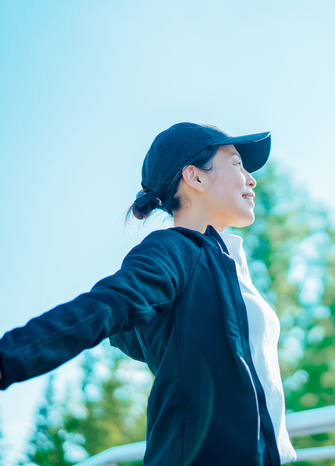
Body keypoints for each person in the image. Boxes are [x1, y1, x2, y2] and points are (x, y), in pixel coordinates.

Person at [0, 122, 297, 465]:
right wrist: (8, 359)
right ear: (195, 177)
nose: (251, 178)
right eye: (235, 163)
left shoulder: (227, 265)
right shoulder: (177, 250)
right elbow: (105, 306)